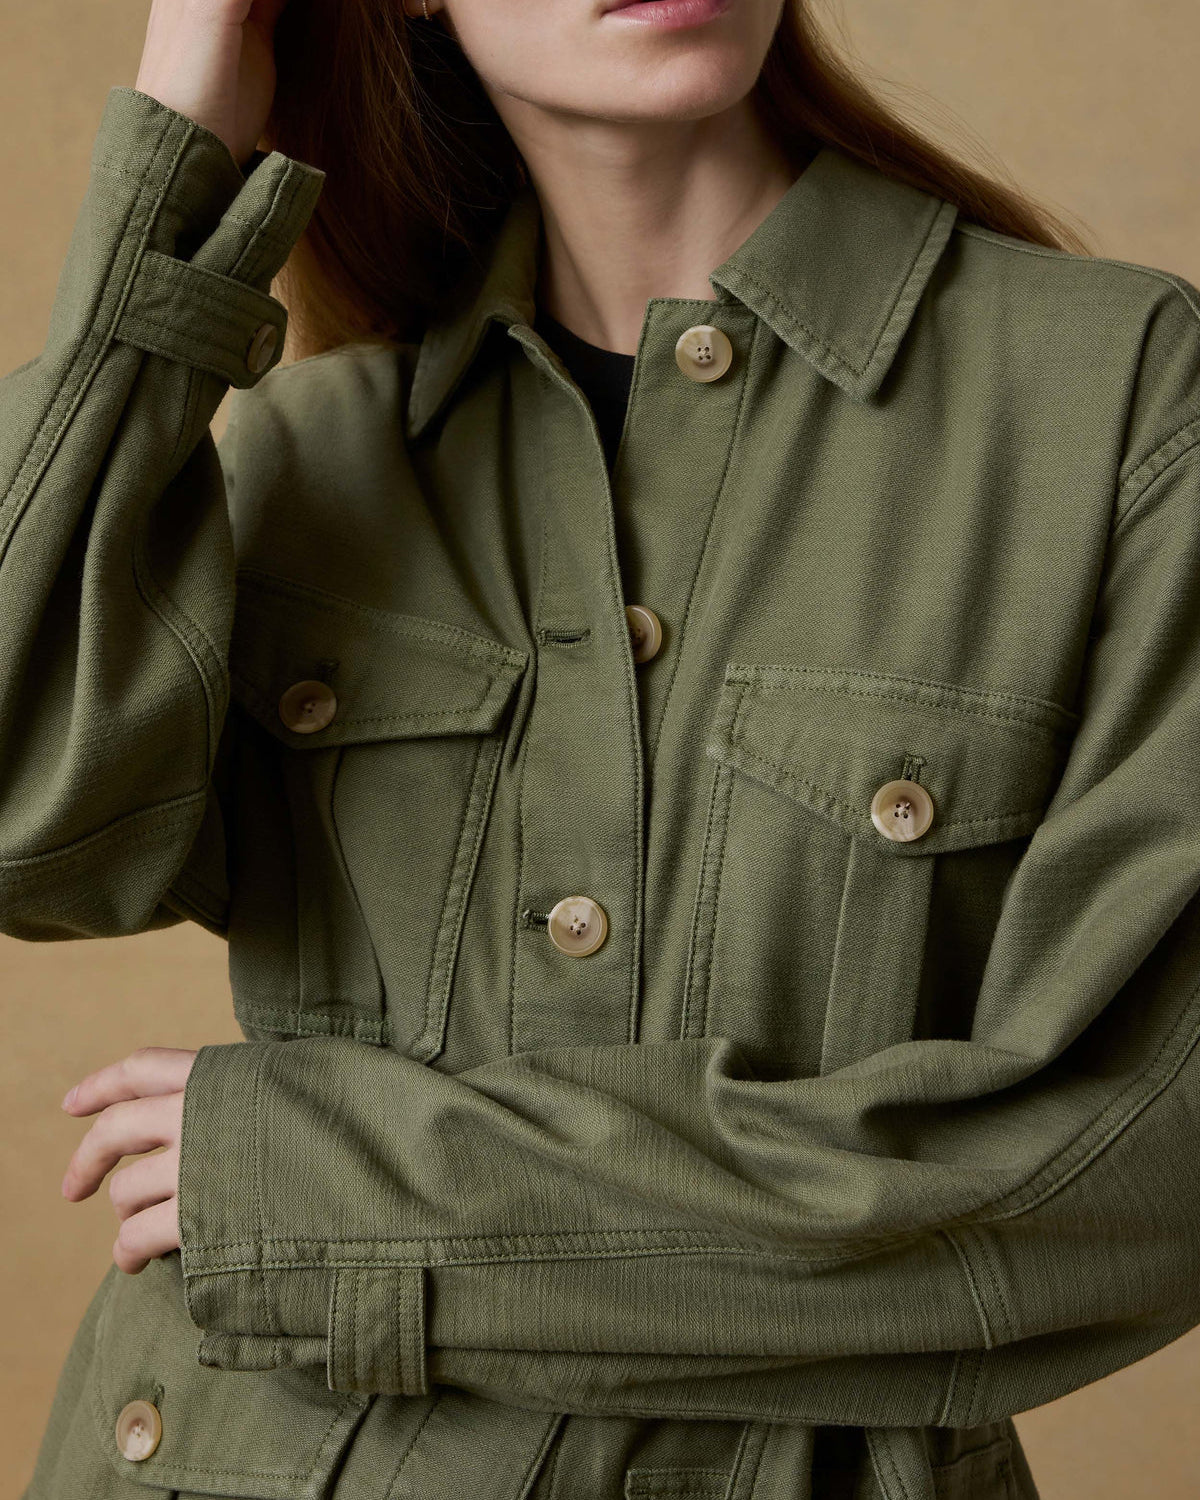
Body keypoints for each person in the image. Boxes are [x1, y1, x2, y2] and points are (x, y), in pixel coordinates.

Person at [7, 0, 1200, 1496]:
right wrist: (177, 150)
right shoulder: (321, 451)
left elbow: (1137, 1173)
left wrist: (334, 1193)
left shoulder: (1117, 403)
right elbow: (25, 823)